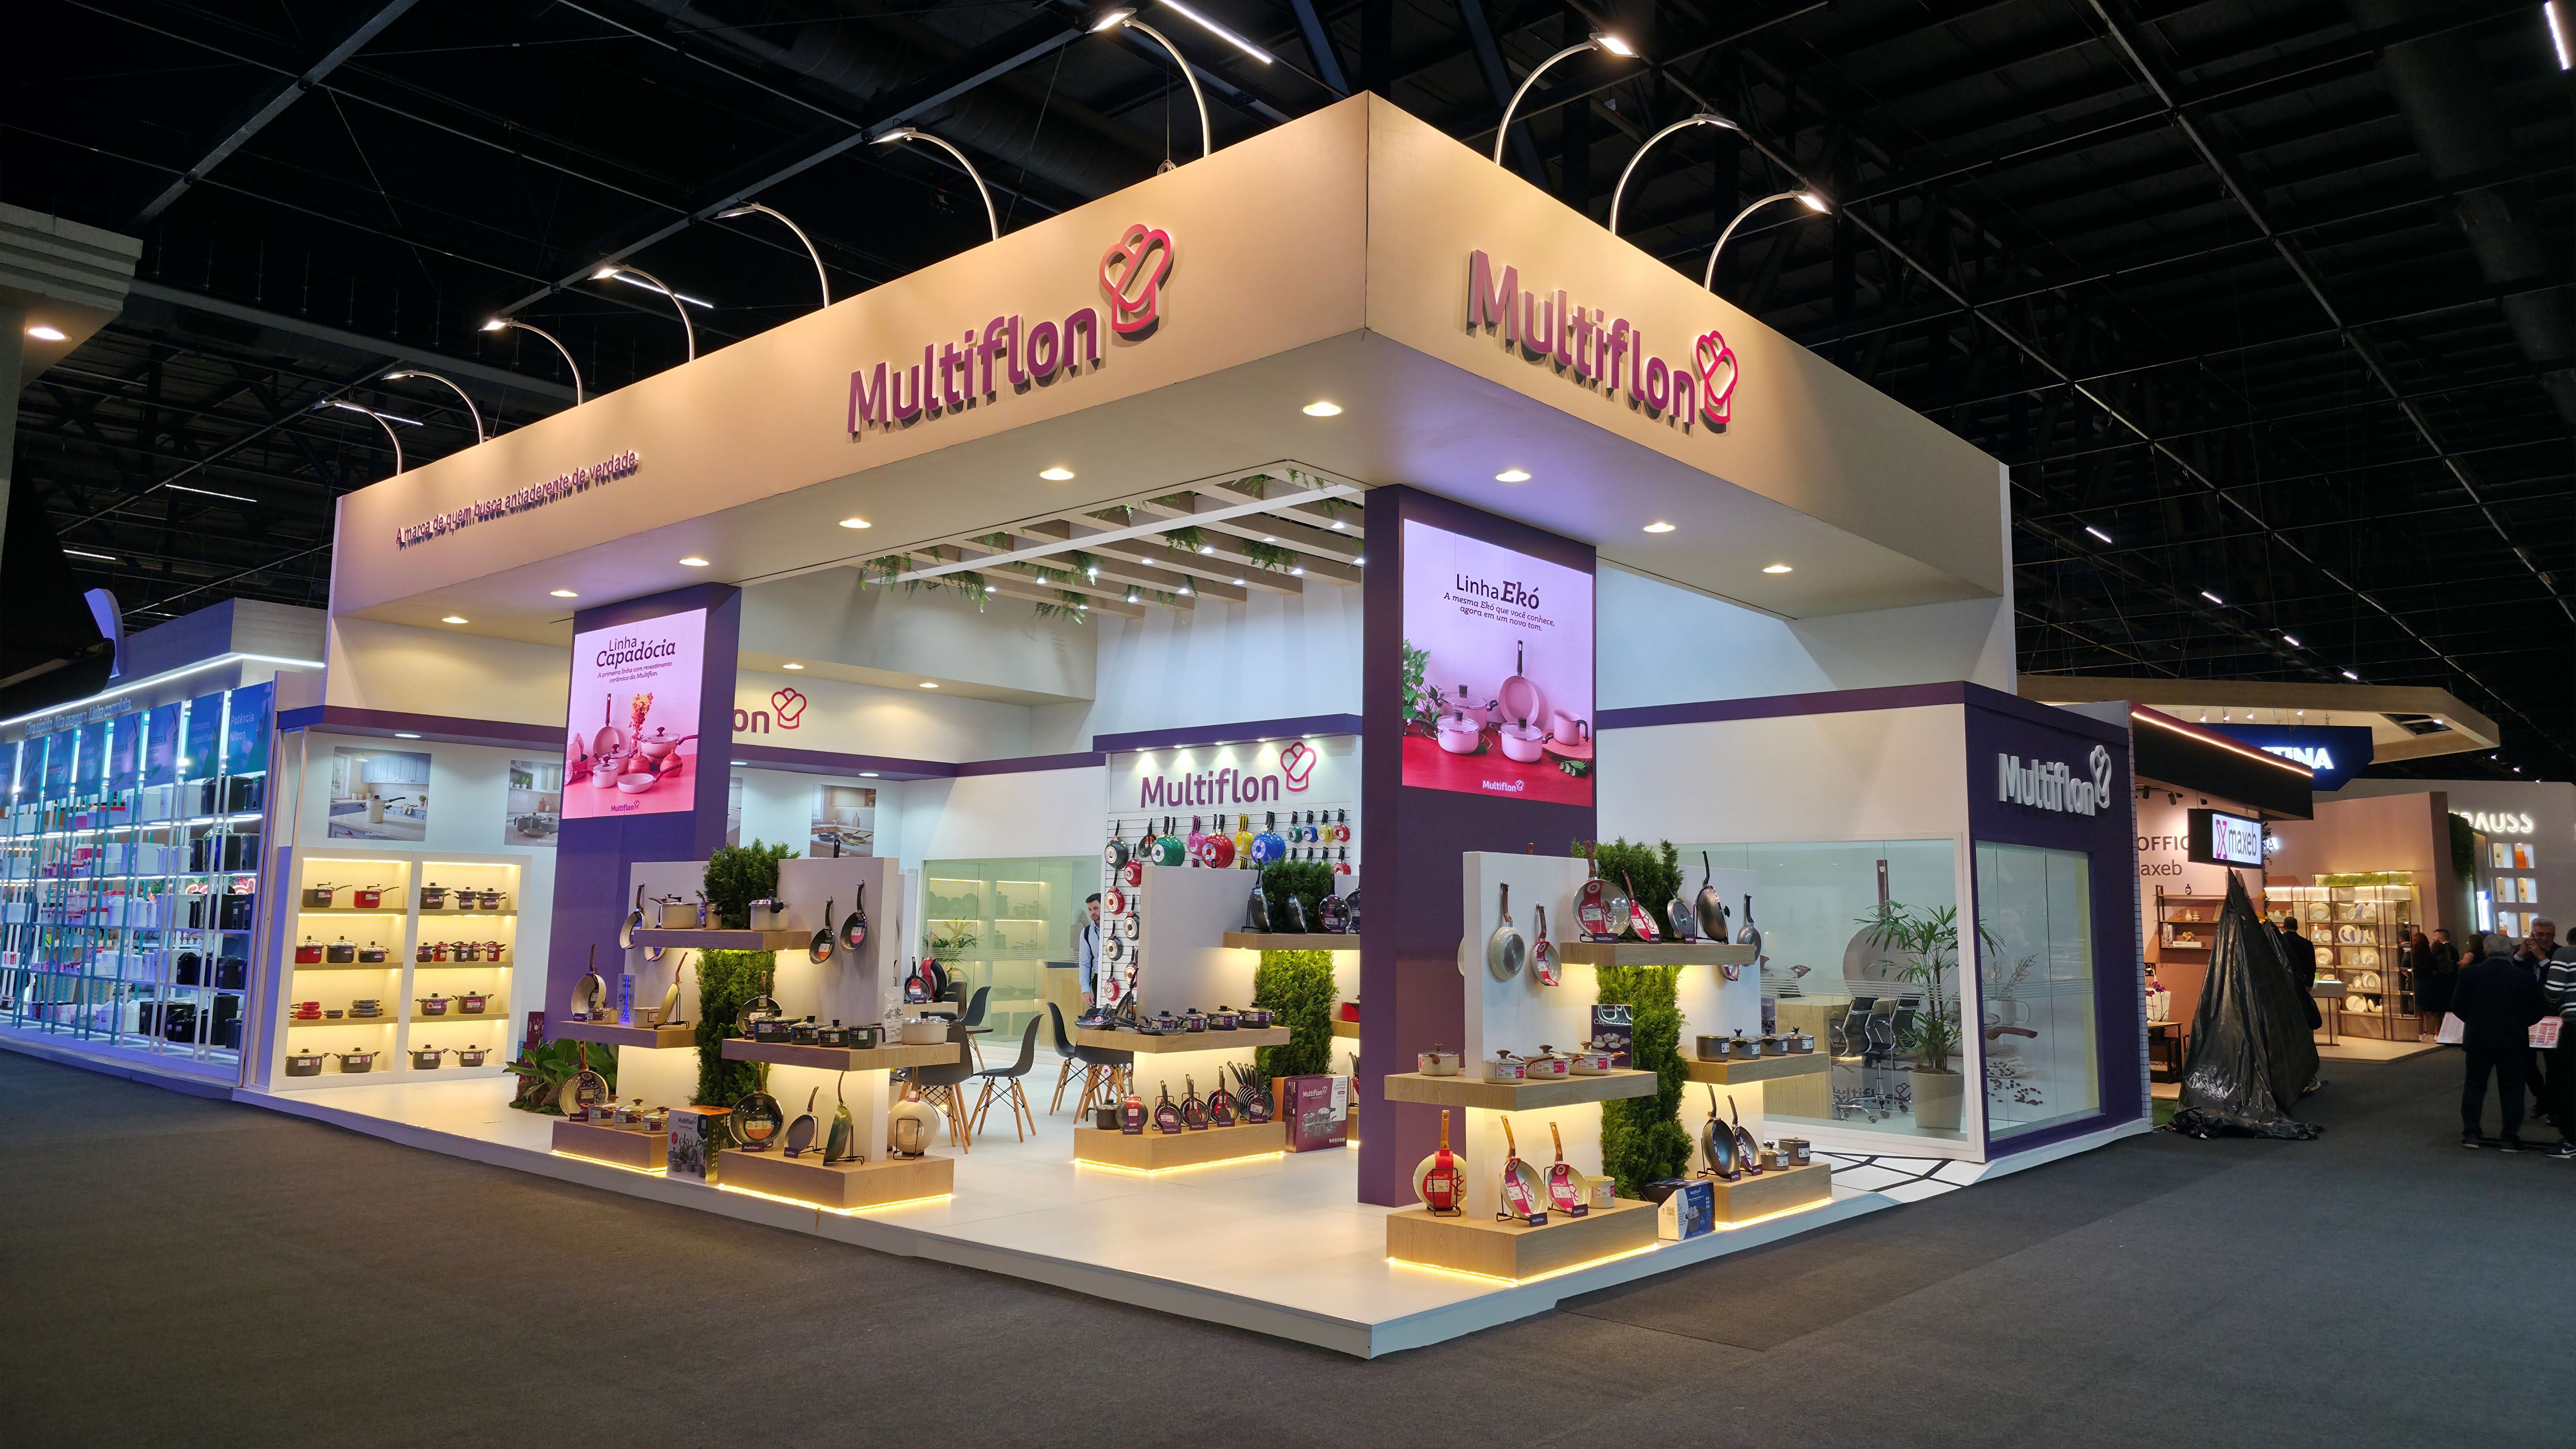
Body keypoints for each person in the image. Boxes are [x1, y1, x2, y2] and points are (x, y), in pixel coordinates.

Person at [2452, 935, 2546, 1149]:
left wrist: (2474, 1022)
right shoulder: (2524, 977)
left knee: (2475, 1086)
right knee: (2512, 1088)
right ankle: (2510, 1137)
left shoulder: (2469, 974)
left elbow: (2457, 1005)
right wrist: (2520, 1024)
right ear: (2510, 952)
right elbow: (2537, 1011)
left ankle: (2471, 1134)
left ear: (2486, 951)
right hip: (2513, 1038)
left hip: (2478, 1038)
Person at [2540, 918, 2576, 1160]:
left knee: (2569, 1084)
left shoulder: (2565, 954)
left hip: (2574, 1027)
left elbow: (2553, 992)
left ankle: (2572, 1141)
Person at [2278, 914, 2323, 1032]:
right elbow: (2311, 965)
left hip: (2283, 982)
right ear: (2297, 927)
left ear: (2284, 927)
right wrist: (2309, 983)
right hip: (2302, 983)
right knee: (2302, 1009)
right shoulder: (2307, 943)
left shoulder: (2279, 942)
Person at [1075, 893, 1103, 1003]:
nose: (1092, 913)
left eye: (1096, 908)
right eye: (1090, 910)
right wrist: (1086, 990)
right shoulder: (1086, 932)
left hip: (1119, 977)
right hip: (1098, 979)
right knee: (1101, 1012)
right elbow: (1084, 962)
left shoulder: (1117, 928)